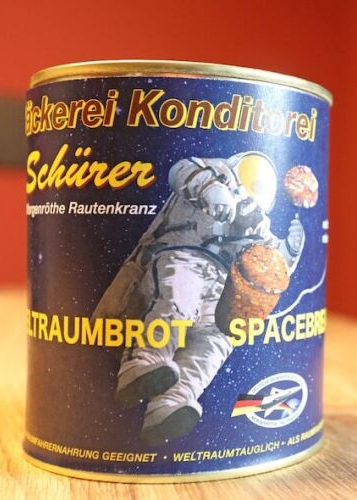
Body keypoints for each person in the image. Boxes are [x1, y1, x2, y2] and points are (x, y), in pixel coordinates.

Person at [93, 151, 305, 445]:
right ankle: (141, 362)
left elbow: (270, 262)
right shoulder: (209, 174)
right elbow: (181, 171)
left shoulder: (255, 220)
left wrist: (289, 251)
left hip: (220, 281)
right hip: (179, 255)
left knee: (217, 339)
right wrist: (212, 190)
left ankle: (172, 402)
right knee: (180, 300)